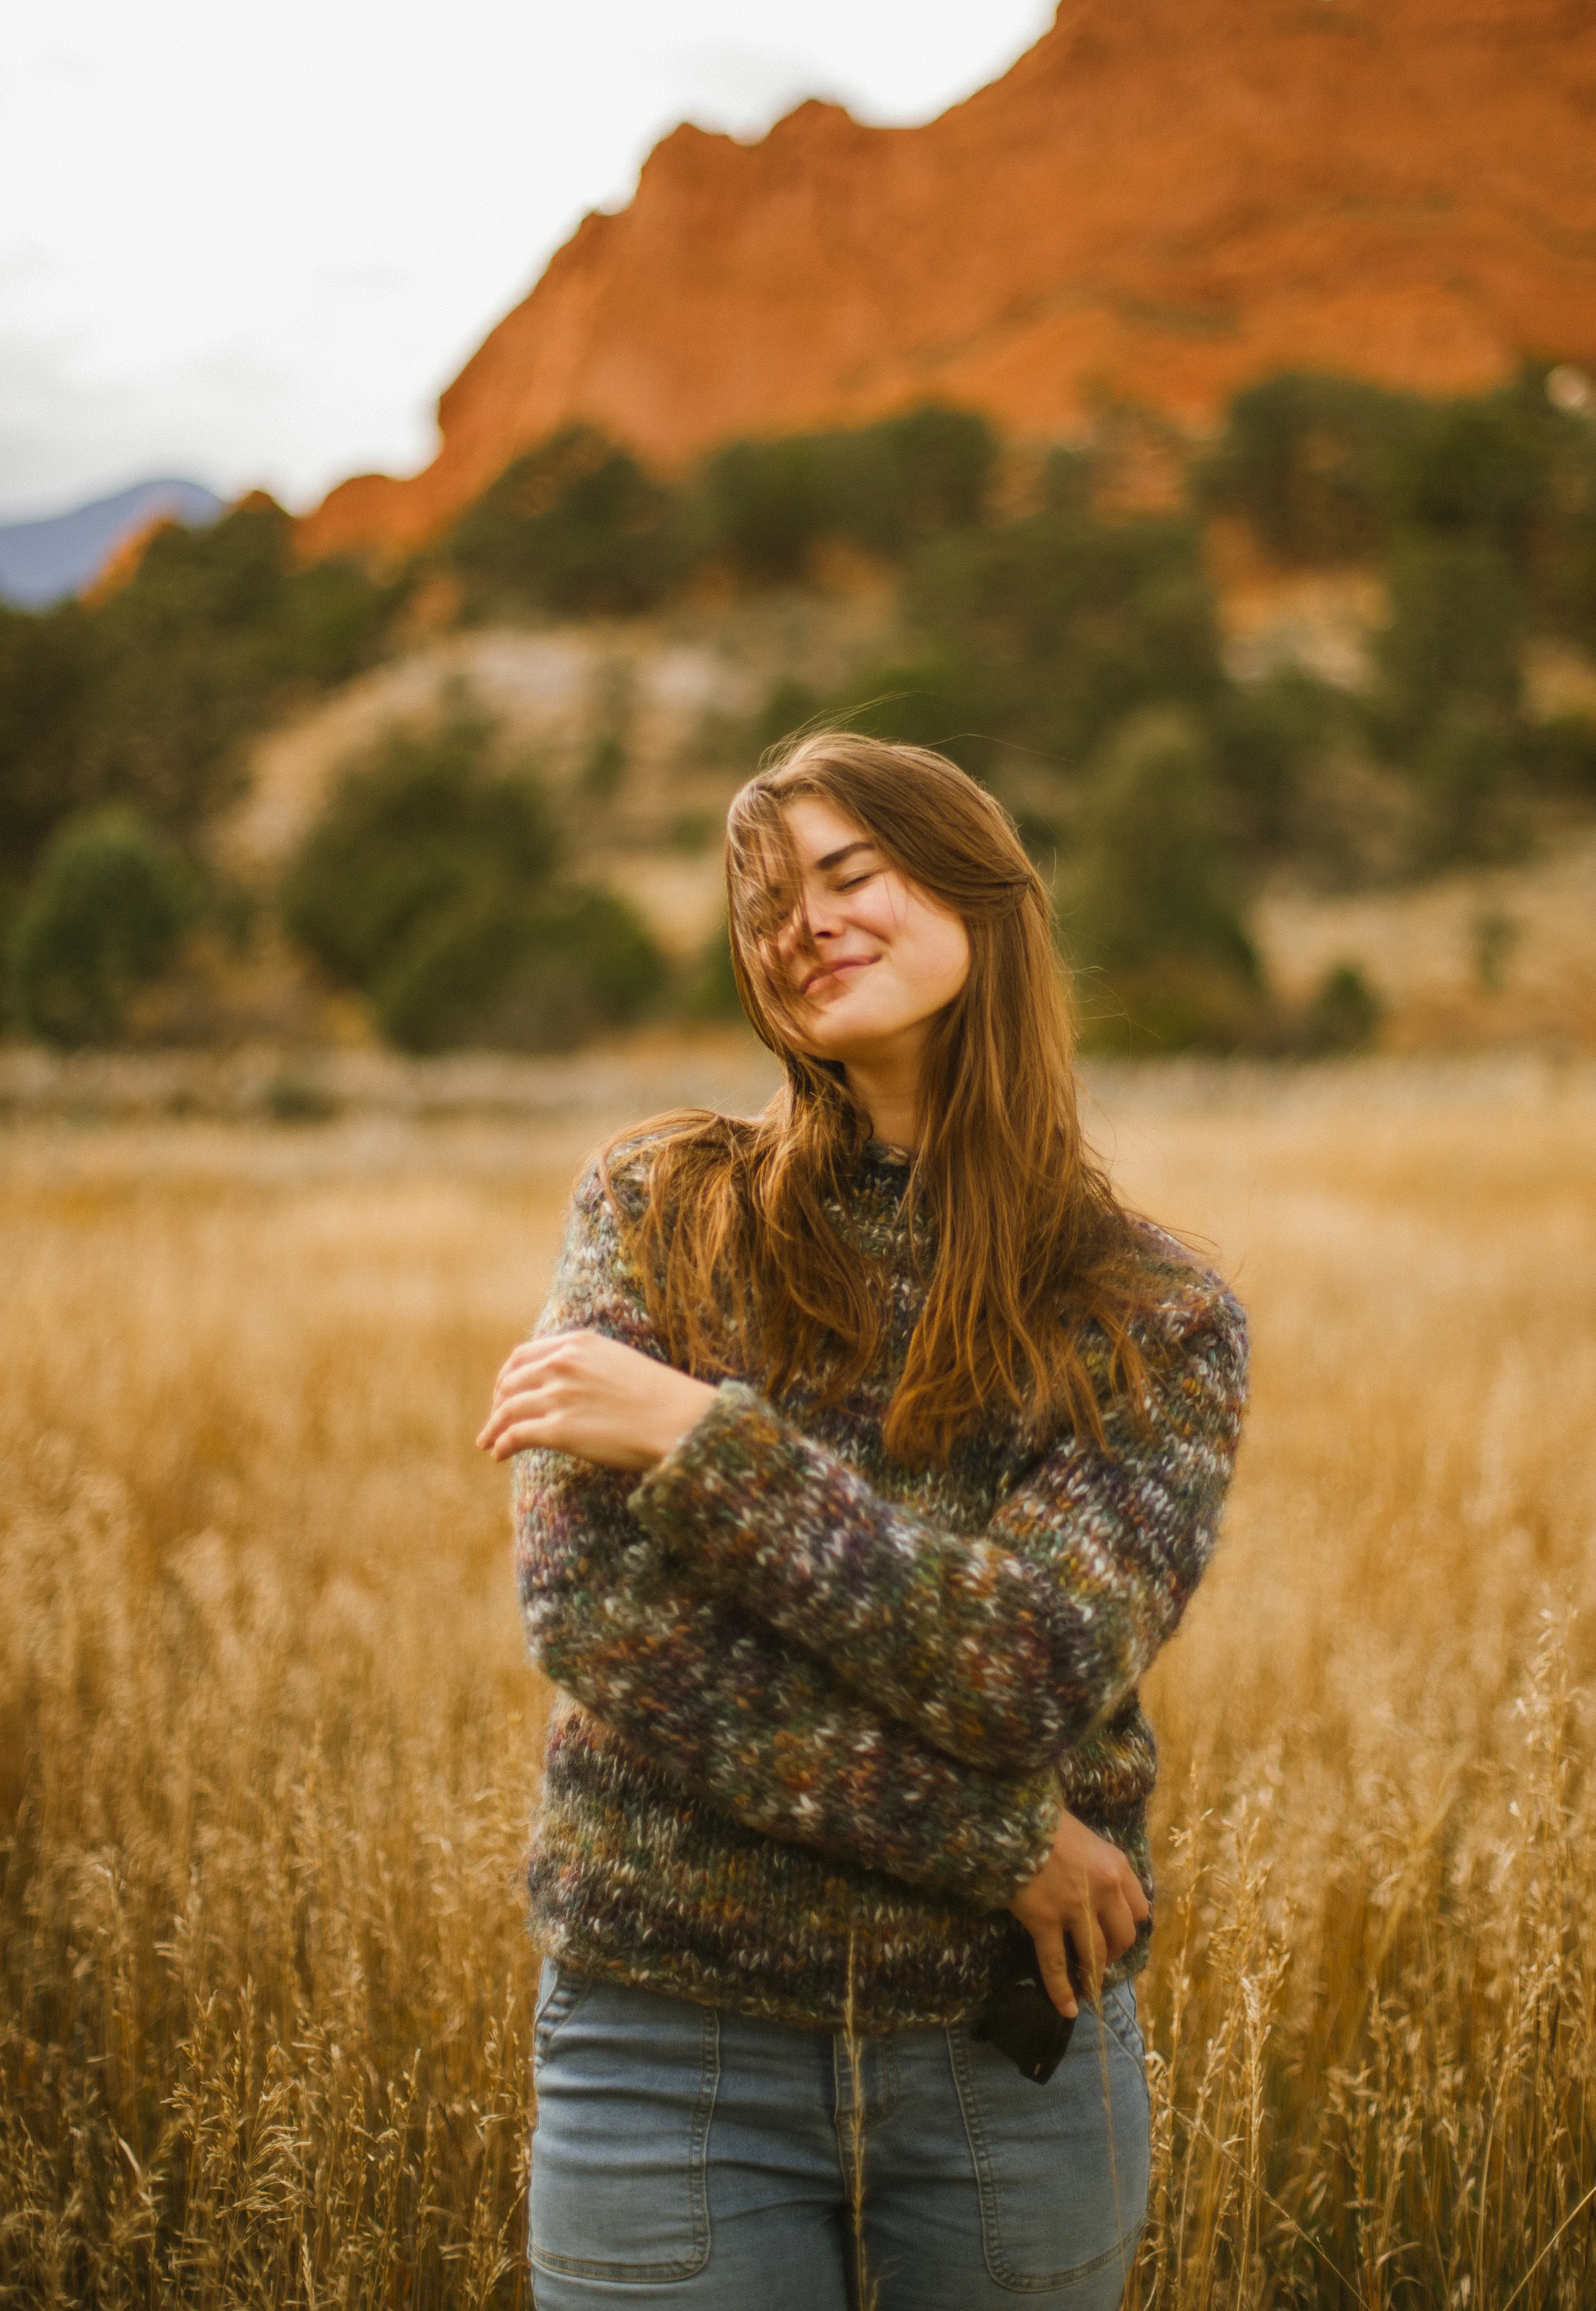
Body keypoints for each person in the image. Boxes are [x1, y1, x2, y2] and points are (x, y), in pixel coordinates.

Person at [478, 732, 1246, 2311]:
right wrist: (995, 1840)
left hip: (1003, 2062)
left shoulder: (1150, 1314)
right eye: (767, 905)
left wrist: (702, 1437)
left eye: (848, 875)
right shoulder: (655, 1210)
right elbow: (602, 1616)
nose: (803, 925)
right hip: (668, 2053)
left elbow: (1030, 1666)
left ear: (980, 892)